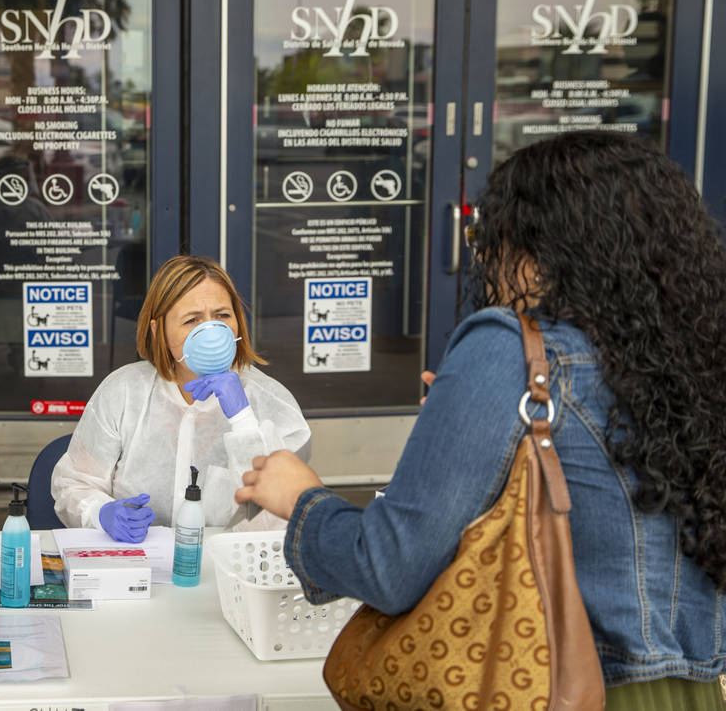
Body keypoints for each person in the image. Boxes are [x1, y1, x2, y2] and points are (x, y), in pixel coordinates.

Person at [237, 131, 726, 708]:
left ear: (538, 248)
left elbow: (389, 566)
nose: (486, 258)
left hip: (559, 688)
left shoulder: (511, 351)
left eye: (489, 237)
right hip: (690, 692)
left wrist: (303, 498)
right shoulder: (696, 360)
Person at [52, 255, 311, 542]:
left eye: (223, 315)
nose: (211, 331)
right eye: (192, 320)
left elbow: (280, 523)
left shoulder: (271, 401)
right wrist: (101, 513)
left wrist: (244, 421)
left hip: (226, 569)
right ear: (158, 330)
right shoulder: (124, 392)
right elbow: (74, 484)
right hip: (137, 562)